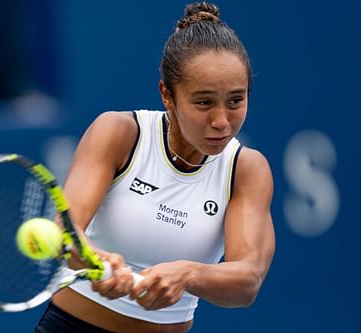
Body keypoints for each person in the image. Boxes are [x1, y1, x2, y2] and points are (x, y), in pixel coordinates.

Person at [35, 2, 275, 332]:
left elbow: (248, 280)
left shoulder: (247, 169)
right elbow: (65, 232)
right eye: (204, 102)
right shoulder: (119, 133)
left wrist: (188, 273)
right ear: (167, 95)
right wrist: (98, 261)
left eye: (236, 100)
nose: (221, 121)